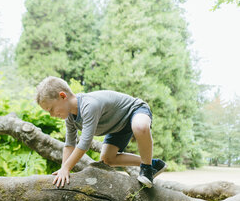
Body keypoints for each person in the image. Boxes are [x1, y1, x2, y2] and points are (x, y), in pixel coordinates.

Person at [36, 76, 166, 188]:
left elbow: (84, 144)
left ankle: (147, 169)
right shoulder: (70, 117)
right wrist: (63, 170)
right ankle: (154, 164)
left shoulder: (89, 105)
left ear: (63, 96)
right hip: (117, 127)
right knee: (107, 159)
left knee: (140, 127)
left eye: (51, 109)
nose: (52, 115)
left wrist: (67, 168)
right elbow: (70, 144)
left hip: (134, 111)